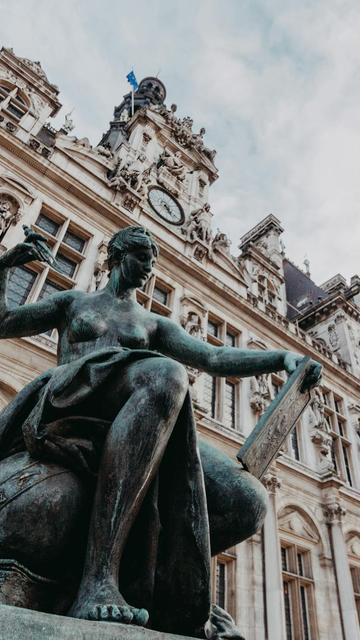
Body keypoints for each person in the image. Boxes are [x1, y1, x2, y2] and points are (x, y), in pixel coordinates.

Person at [0, 226, 321, 635]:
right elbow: (4, 320)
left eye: (153, 262)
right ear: (117, 257)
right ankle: (98, 578)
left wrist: (282, 358)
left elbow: (214, 357)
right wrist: (7, 265)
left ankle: (164, 586)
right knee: (166, 373)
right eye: (143, 258)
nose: (150, 268)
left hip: (141, 415)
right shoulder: (74, 302)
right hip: (77, 405)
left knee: (247, 500)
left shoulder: (153, 324)